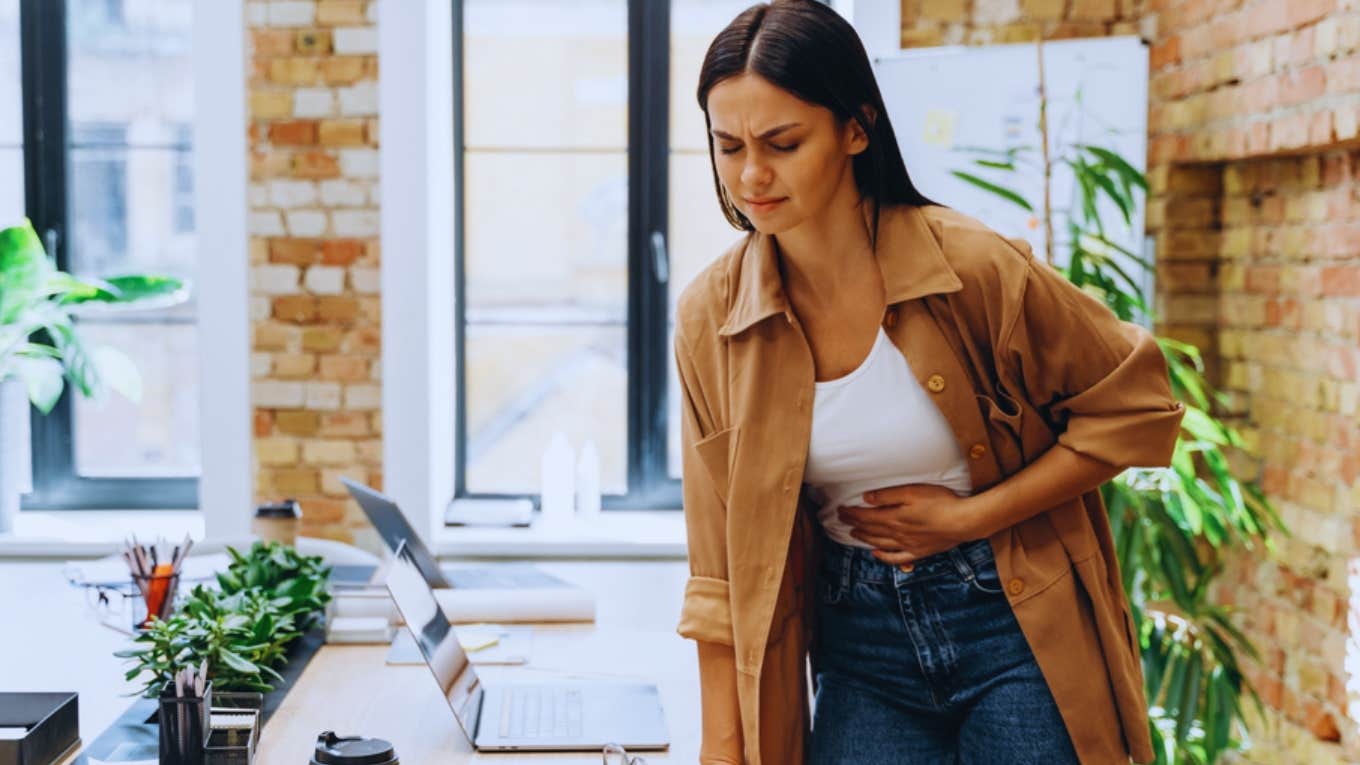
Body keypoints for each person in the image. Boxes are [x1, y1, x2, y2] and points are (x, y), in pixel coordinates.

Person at [672, 2, 1186, 764]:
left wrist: (971, 518)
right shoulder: (710, 320)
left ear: (856, 128)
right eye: (728, 146)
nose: (752, 175)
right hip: (857, 645)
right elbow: (718, 581)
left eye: (783, 143)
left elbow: (1136, 409)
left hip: (1012, 625)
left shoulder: (974, 268)